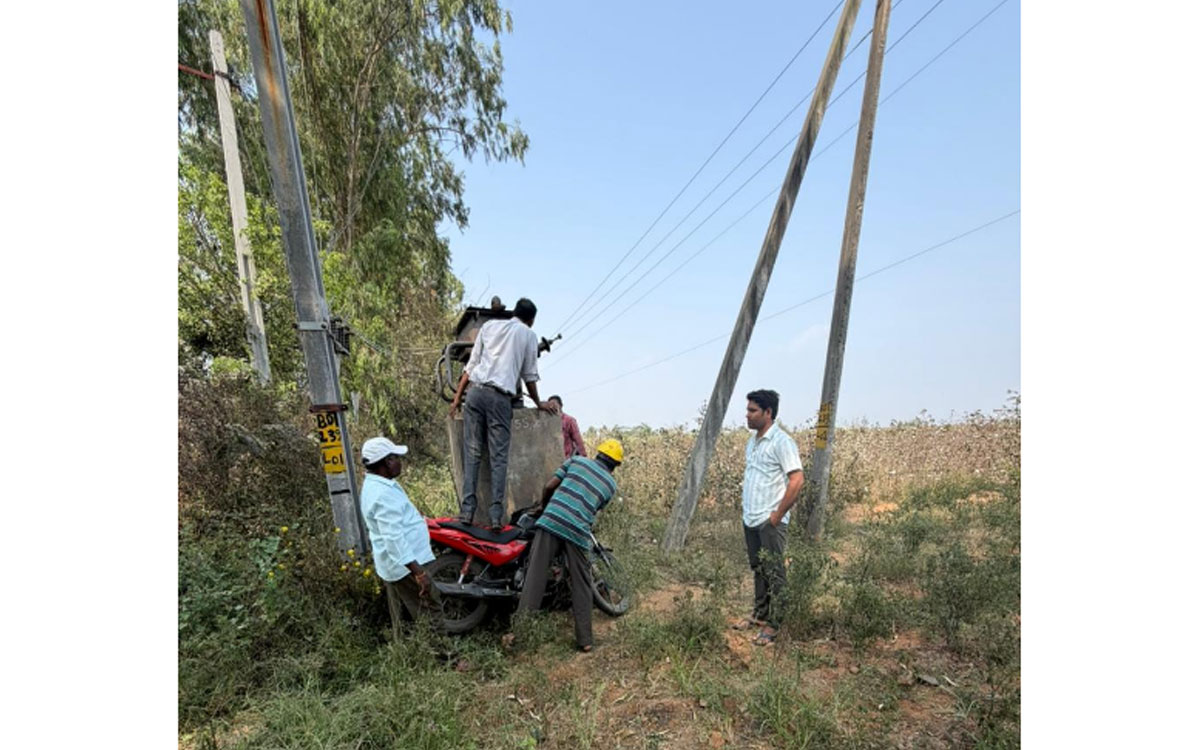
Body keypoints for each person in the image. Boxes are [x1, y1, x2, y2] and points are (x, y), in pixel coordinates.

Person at [448, 297, 558, 531]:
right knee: (498, 459)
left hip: (475, 395)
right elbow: (529, 375)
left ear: (514, 313)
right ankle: (496, 516)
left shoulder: (488, 326)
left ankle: (467, 512)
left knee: (473, 454)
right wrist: (539, 402)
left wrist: (457, 399)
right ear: (531, 320)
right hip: (499, 399)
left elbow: (471, 366)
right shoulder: (528, 335)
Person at [508, 439, 624, 653]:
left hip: (551, 520)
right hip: (578, 531)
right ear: (614, 466)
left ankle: (519, 635)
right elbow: (595, 508)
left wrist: (544, 506)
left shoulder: (577, 461)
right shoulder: (610, 485)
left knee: (535, 577)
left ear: (597, 454)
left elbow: (549, 485)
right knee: (582, 582)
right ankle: (585, 640)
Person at [734, 389, 804, 646]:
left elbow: (797, 480)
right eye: (748, 410)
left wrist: (778, 515)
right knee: (759, 568)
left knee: (775, 572)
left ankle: (776, 624)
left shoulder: (782, 442)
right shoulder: (752, 442)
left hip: (769, 521)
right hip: (751, 518)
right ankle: (760, 615)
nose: (747, 415)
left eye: (753, 411)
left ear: (768, 413)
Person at [358, 436, 441, 636]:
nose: (399, 462)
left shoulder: (379, 485)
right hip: (404, 564)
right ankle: (446, 656)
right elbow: (393, 538)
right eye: (396, 457)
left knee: (402, 614)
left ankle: (405, 653)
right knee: (430, 607)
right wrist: (418, 572)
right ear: (387, 462)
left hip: (393, 564)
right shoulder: (382, 494)